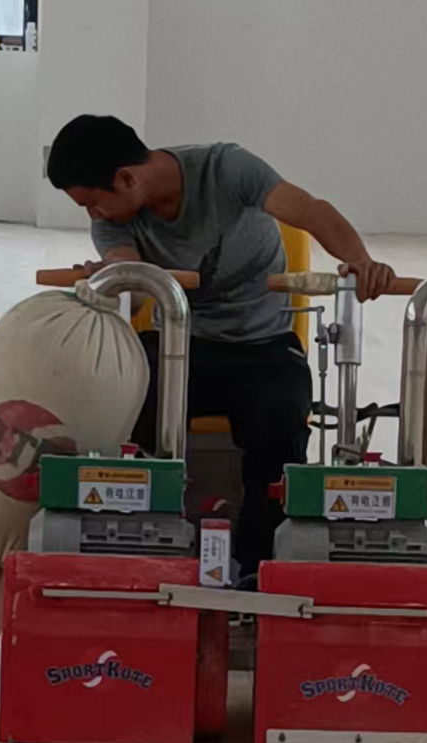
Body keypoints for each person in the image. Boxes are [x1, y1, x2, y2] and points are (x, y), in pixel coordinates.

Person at [46, 114, 398, 585]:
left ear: (126, 178)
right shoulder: (112, 226)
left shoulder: (226, 169)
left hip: (264, 346)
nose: (93, 215)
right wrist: (113, 278)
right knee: (121, 399)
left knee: (282, 417)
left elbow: (311, 211)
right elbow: (134, 281)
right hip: (180, 344)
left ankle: (256, 569)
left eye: (92, 203)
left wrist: (360, 262)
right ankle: (140, 549)